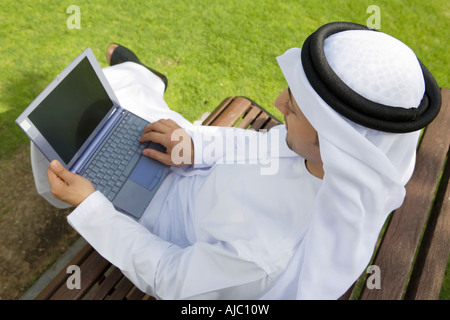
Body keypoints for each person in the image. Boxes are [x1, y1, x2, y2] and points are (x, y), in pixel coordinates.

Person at [38, 22, 441, 299]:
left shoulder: (262, 254)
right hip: (192, 176)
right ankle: (146, 78)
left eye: (295, 110)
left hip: (164, 222)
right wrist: (194, 145)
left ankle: (142, 77)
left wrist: (92, 208)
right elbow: (260, 148)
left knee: (56, 150)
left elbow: (169, 277)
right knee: (127, 109)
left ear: (336, 144)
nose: (279, 104)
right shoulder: (324, 158)